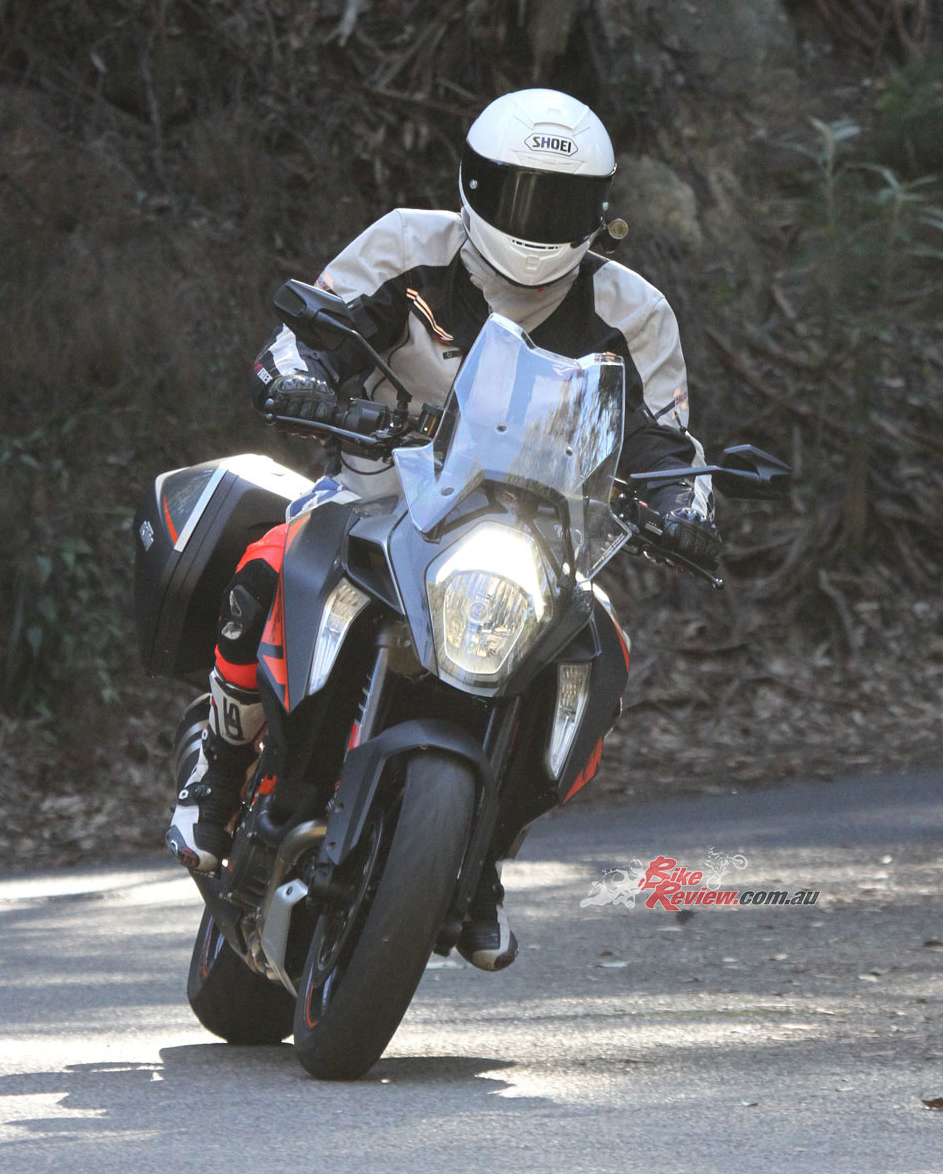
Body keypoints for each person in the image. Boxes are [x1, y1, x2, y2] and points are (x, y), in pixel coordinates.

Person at [165, 88, 721, 971]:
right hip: (380, 498)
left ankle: (485, 848)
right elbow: (311, 329)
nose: (535, 224)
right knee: (271, 561)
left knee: (598, 656)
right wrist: (300, 376)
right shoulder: (406, 245)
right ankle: (220, 768)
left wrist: (684, 509)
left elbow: (664, 440)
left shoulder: (633, 310)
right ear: (472, 183)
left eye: (560, 203)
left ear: (600, 213)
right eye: (519, 194)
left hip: (537, 544)